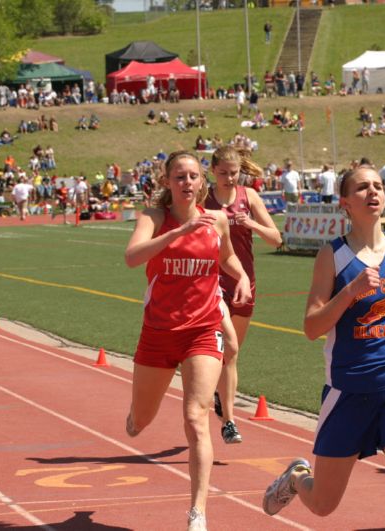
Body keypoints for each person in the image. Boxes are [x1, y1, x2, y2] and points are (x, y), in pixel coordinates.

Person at [262, 165, 385, 528]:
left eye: (378, 186)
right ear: (345, 202)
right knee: (322, 504)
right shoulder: (332, 257)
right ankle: (297, 476)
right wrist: (350, 292)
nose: (373, 192)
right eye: (363, 188)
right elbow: (311, 327)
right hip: (349, 390)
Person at [124, 151, 250, 530]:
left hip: (202, 329)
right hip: (159, 333)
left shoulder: (218, 221)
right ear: (167, 181)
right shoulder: (154, 218)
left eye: (193, 176)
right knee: (139, 423)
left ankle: (198, 513)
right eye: (180, 176)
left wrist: (241, 275)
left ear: (202, 182)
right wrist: (177, 233)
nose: (187, 183)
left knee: (196, 416)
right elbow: (132, 257)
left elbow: (227, 258)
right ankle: (134, 415)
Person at [204, 146, 282, 444]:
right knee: (228, 348)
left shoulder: (249, 197)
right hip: (212, 284)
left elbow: (276, 239)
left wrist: (251, 223)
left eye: (233, 172)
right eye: (222, 172)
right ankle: (230, 422)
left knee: (231, 354)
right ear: (212, 170)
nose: (228, 177)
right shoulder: (204, 198)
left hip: (244, 283)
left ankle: (219, 394)